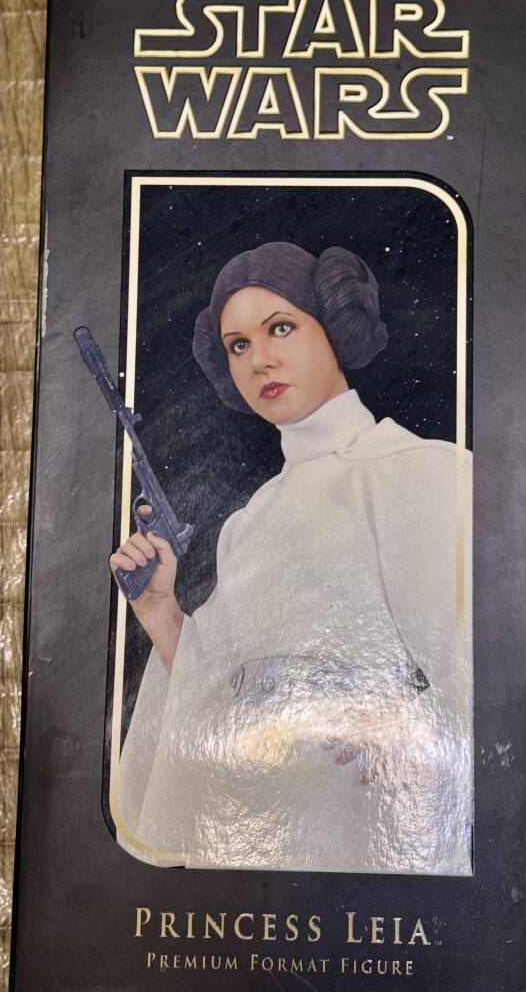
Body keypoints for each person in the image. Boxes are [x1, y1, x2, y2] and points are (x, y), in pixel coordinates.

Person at [111, 242, 472, 874]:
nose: (260, 360)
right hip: (267, 821)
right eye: (238, 346)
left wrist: (399, 730)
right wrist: (160, 610)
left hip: (376, 818)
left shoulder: (425, 471)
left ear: (332, 327)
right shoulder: (249, 522)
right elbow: (220, 695)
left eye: (281, 328)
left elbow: (466, 664)